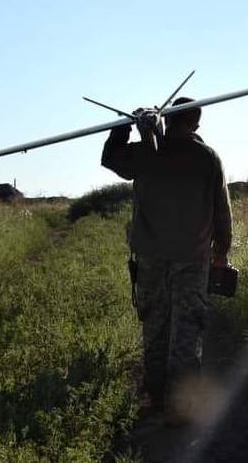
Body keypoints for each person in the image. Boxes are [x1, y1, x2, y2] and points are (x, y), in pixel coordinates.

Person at [100, 97, 232, 420]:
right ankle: (180, 408)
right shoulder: (209, 158)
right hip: (193, 261)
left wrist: (123, 127)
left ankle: (156, 398)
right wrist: (221, 256)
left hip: (151, 260)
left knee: (155, 327)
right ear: (196, 124)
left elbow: (111, 159)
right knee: (187, 332)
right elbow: (222, 215)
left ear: (168, 120)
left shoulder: (147, 154)